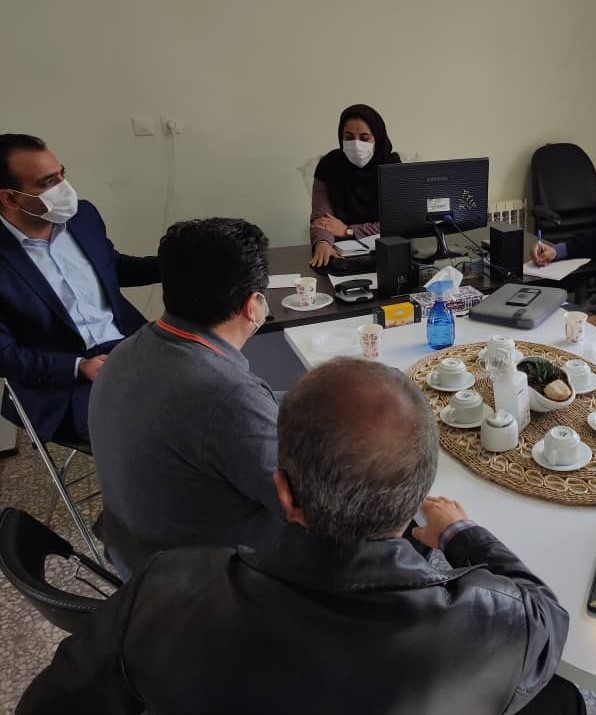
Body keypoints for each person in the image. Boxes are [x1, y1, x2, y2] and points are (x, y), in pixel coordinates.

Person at [18, 358, 584, 714]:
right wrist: (460, 531)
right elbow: (548, 614)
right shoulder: (498, 623)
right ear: (417, 497)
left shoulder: (166, 589)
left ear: (284, 492)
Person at [88, 217, 283, 577]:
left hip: (140, 557)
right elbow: (301, 504)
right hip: (207, 584)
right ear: (253, 305)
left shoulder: (127, 350)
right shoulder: (227, 395)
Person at [0, 134, 160, 442]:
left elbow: (113, 267)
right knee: (150, 425)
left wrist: (179, 263)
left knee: (213, 389)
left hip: (130, 346)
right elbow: (5, 355)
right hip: (63, 380)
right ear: (10, 198)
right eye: (48, 182)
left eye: (62, 174)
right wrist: (79, 367)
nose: (64, 188)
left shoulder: (82, 216)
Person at [309, 104, 401, 268]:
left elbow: (395, 223)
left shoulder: (391, 167)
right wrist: (322, 242)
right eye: (349, 137)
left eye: (364, 138)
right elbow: (322, 219)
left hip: (387, 251)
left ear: (377, 138)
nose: (356, 144)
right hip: (341, 253)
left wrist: (348, 231)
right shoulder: (329, 165)